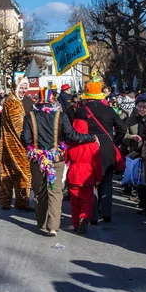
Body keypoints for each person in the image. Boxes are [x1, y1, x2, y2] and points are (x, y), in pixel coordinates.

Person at [22, 88, 97, 237]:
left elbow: (25, 139)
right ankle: (53, 227)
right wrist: (91, 137)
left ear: (39, 102)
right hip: (56, 159)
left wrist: (35, 147)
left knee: (39, 191)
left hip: (37, 160)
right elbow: (72, 135)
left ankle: (42, 222)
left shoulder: (29, 116)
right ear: (53, 101)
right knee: (55, 192)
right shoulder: (60, 116)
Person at [74, 79, 126, 223]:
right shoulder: (109, 110)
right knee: (107, 181)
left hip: (88, 147)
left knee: (91, 181)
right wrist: (114, 142)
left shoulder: (81, 111)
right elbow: (122, 128)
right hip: (107, 148)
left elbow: (75, 131)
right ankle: (107, 213)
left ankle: (94, 215)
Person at [0, 77, 32, 211]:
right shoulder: (13, 103)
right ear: (15, 88)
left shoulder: (11, 101)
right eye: (21, 88)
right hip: (16, 144)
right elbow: (19, 127)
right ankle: (22, 203)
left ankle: (5, 202)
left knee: (7, 173)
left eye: (25, 88)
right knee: (23, 173)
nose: (23, 91)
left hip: (7, 142)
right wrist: (28, 140)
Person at [66, 119, 103, 234]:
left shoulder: (70, 144)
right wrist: (98, 178)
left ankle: (76, 223)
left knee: (74, 202)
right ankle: (84, 217)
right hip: (87, 174)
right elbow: (97, 164)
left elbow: (65, 159)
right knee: (87, 201)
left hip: (73, 174)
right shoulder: (93, 145)